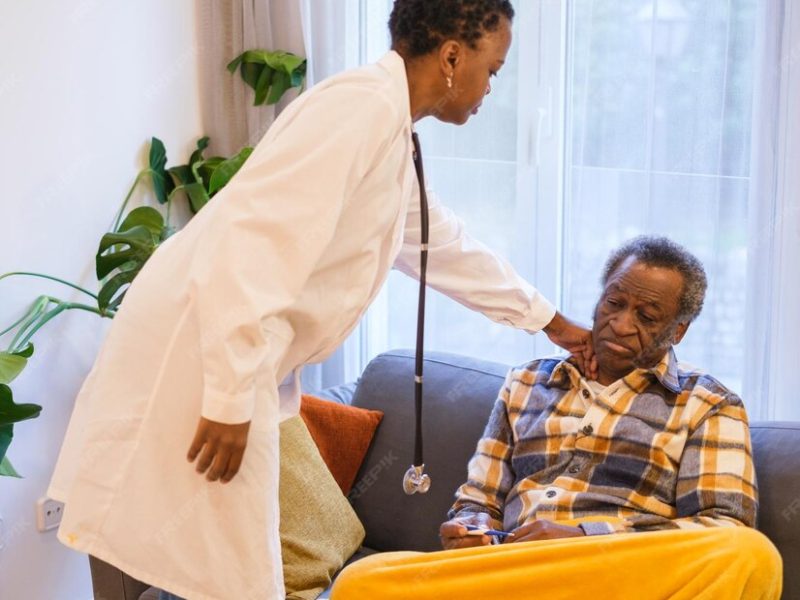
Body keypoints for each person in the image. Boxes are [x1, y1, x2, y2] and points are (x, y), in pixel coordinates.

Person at [47, 2, 594, 599]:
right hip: (198, 351)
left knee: (196, 549)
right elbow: (252, 245)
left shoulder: (390, 131)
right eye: (493, 68)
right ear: (452, 56)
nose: (492, 86)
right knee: (171, 540)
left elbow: (442, 244)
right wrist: (229, 399)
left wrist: (551, 321)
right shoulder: (357, 110)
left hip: (229, 350)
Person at [330, 236, 783, 600]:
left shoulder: (709, 404)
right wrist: (471, 529)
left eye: (647, 316)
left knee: (750, 554)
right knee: (362, 582)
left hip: (618, 577)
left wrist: (583, 536)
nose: (622, 325)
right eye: (614, 304)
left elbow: (722, 528)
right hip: (509, 571)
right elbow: (478, 501)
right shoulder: (526, 382)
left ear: (677, 330)